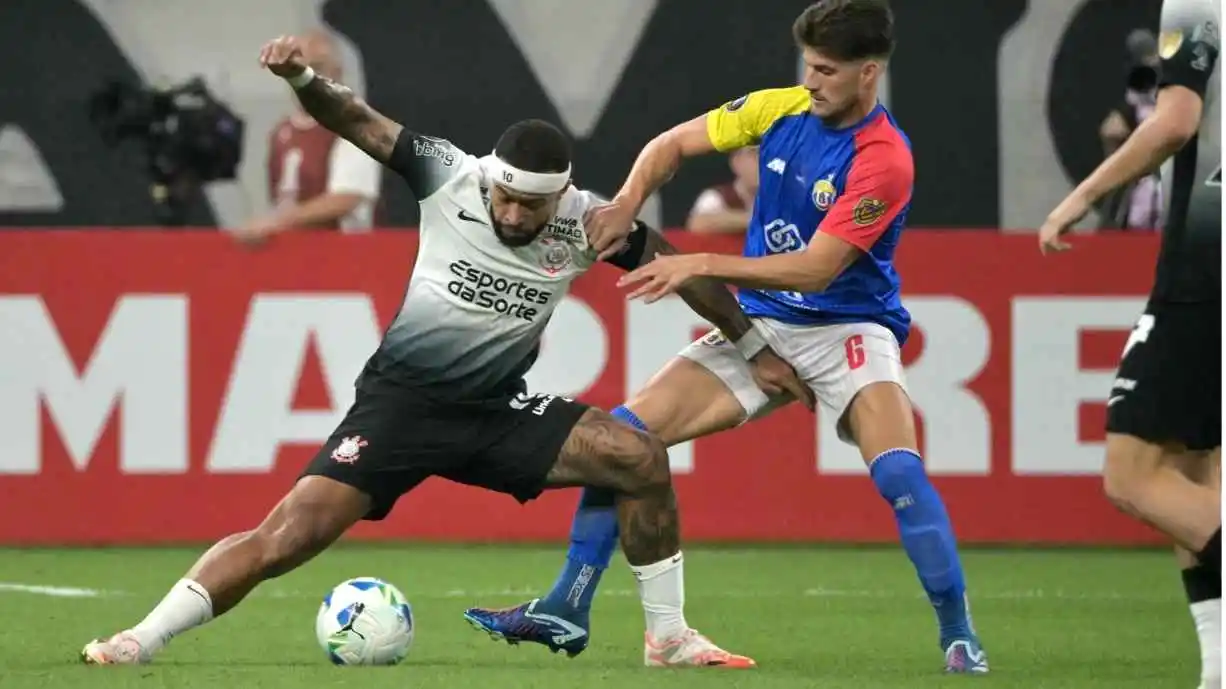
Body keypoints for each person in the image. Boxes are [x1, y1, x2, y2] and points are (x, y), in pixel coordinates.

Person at [80, 33, 810, 668]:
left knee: (638, 457)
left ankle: (670, 637)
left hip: (494, 413)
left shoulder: (590, 222)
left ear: (561, 197)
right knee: (286, 536)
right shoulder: (449, 172)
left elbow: (686, 271)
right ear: (491, 179)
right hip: (400, 405)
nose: (515, 214)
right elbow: (358, 121)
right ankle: (142, 637)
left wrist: (752, 345)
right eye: (507, 199)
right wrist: (303, 81)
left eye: (533, 205)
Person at [464, 0, 988, 674]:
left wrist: (703, 262)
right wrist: (626, 203)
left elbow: (821, 265)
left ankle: (959, 634)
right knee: (623, 441)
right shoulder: (779, 108)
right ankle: (566, 604)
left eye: (827, 69)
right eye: (808, 64)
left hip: (848, 325)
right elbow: (670, 146)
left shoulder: (884, 159)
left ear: (869, 72)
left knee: (897, 471)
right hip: (766, 319)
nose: (812, 80)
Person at [1039, 1, 1221, 686]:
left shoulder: (1200, 4)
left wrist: (1083, 194)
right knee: (1192, 467)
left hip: (1208, 258)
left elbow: (1175, 121)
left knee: (1134, 472)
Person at [233, 29, 382, 244]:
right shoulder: (282, 132)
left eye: (317, 68)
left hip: (339, 254)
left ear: (337, 74)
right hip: (291, 254)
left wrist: (277, 222)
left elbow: (345, 198)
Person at [685, 146, 759, 234]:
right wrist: (756, 220)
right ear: (736, 162)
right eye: (755, 153)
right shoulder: (717, 197)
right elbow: (697, 223)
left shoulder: (777, 199)